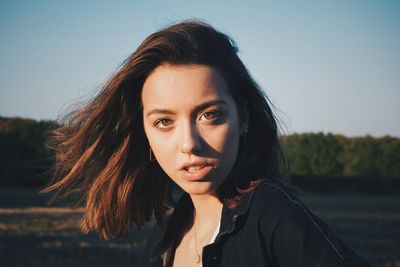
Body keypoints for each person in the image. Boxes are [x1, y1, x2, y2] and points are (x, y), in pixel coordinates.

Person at [44, 20, 370, 267]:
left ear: (243, 118)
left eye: (209, 115)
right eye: (164, 122)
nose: (189, 144)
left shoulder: (272, 215)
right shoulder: (171, 233)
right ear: (144, 132)